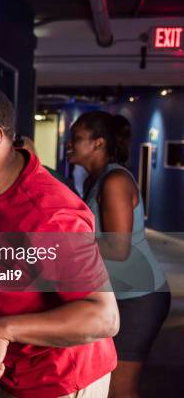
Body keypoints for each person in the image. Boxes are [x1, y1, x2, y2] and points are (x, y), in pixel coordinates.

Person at [0, 85, 119, 397]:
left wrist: (2, 329)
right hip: (14, 372)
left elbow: (104, 316)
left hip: (63, 378)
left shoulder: (49, 216)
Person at [68, 111, 171, 398]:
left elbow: (117, 247)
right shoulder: (95, 181)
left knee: (119, 389)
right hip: (117, 296)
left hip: (139, 299)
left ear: (98, 143)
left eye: (76, 138)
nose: (69, 143)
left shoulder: (114, 181)